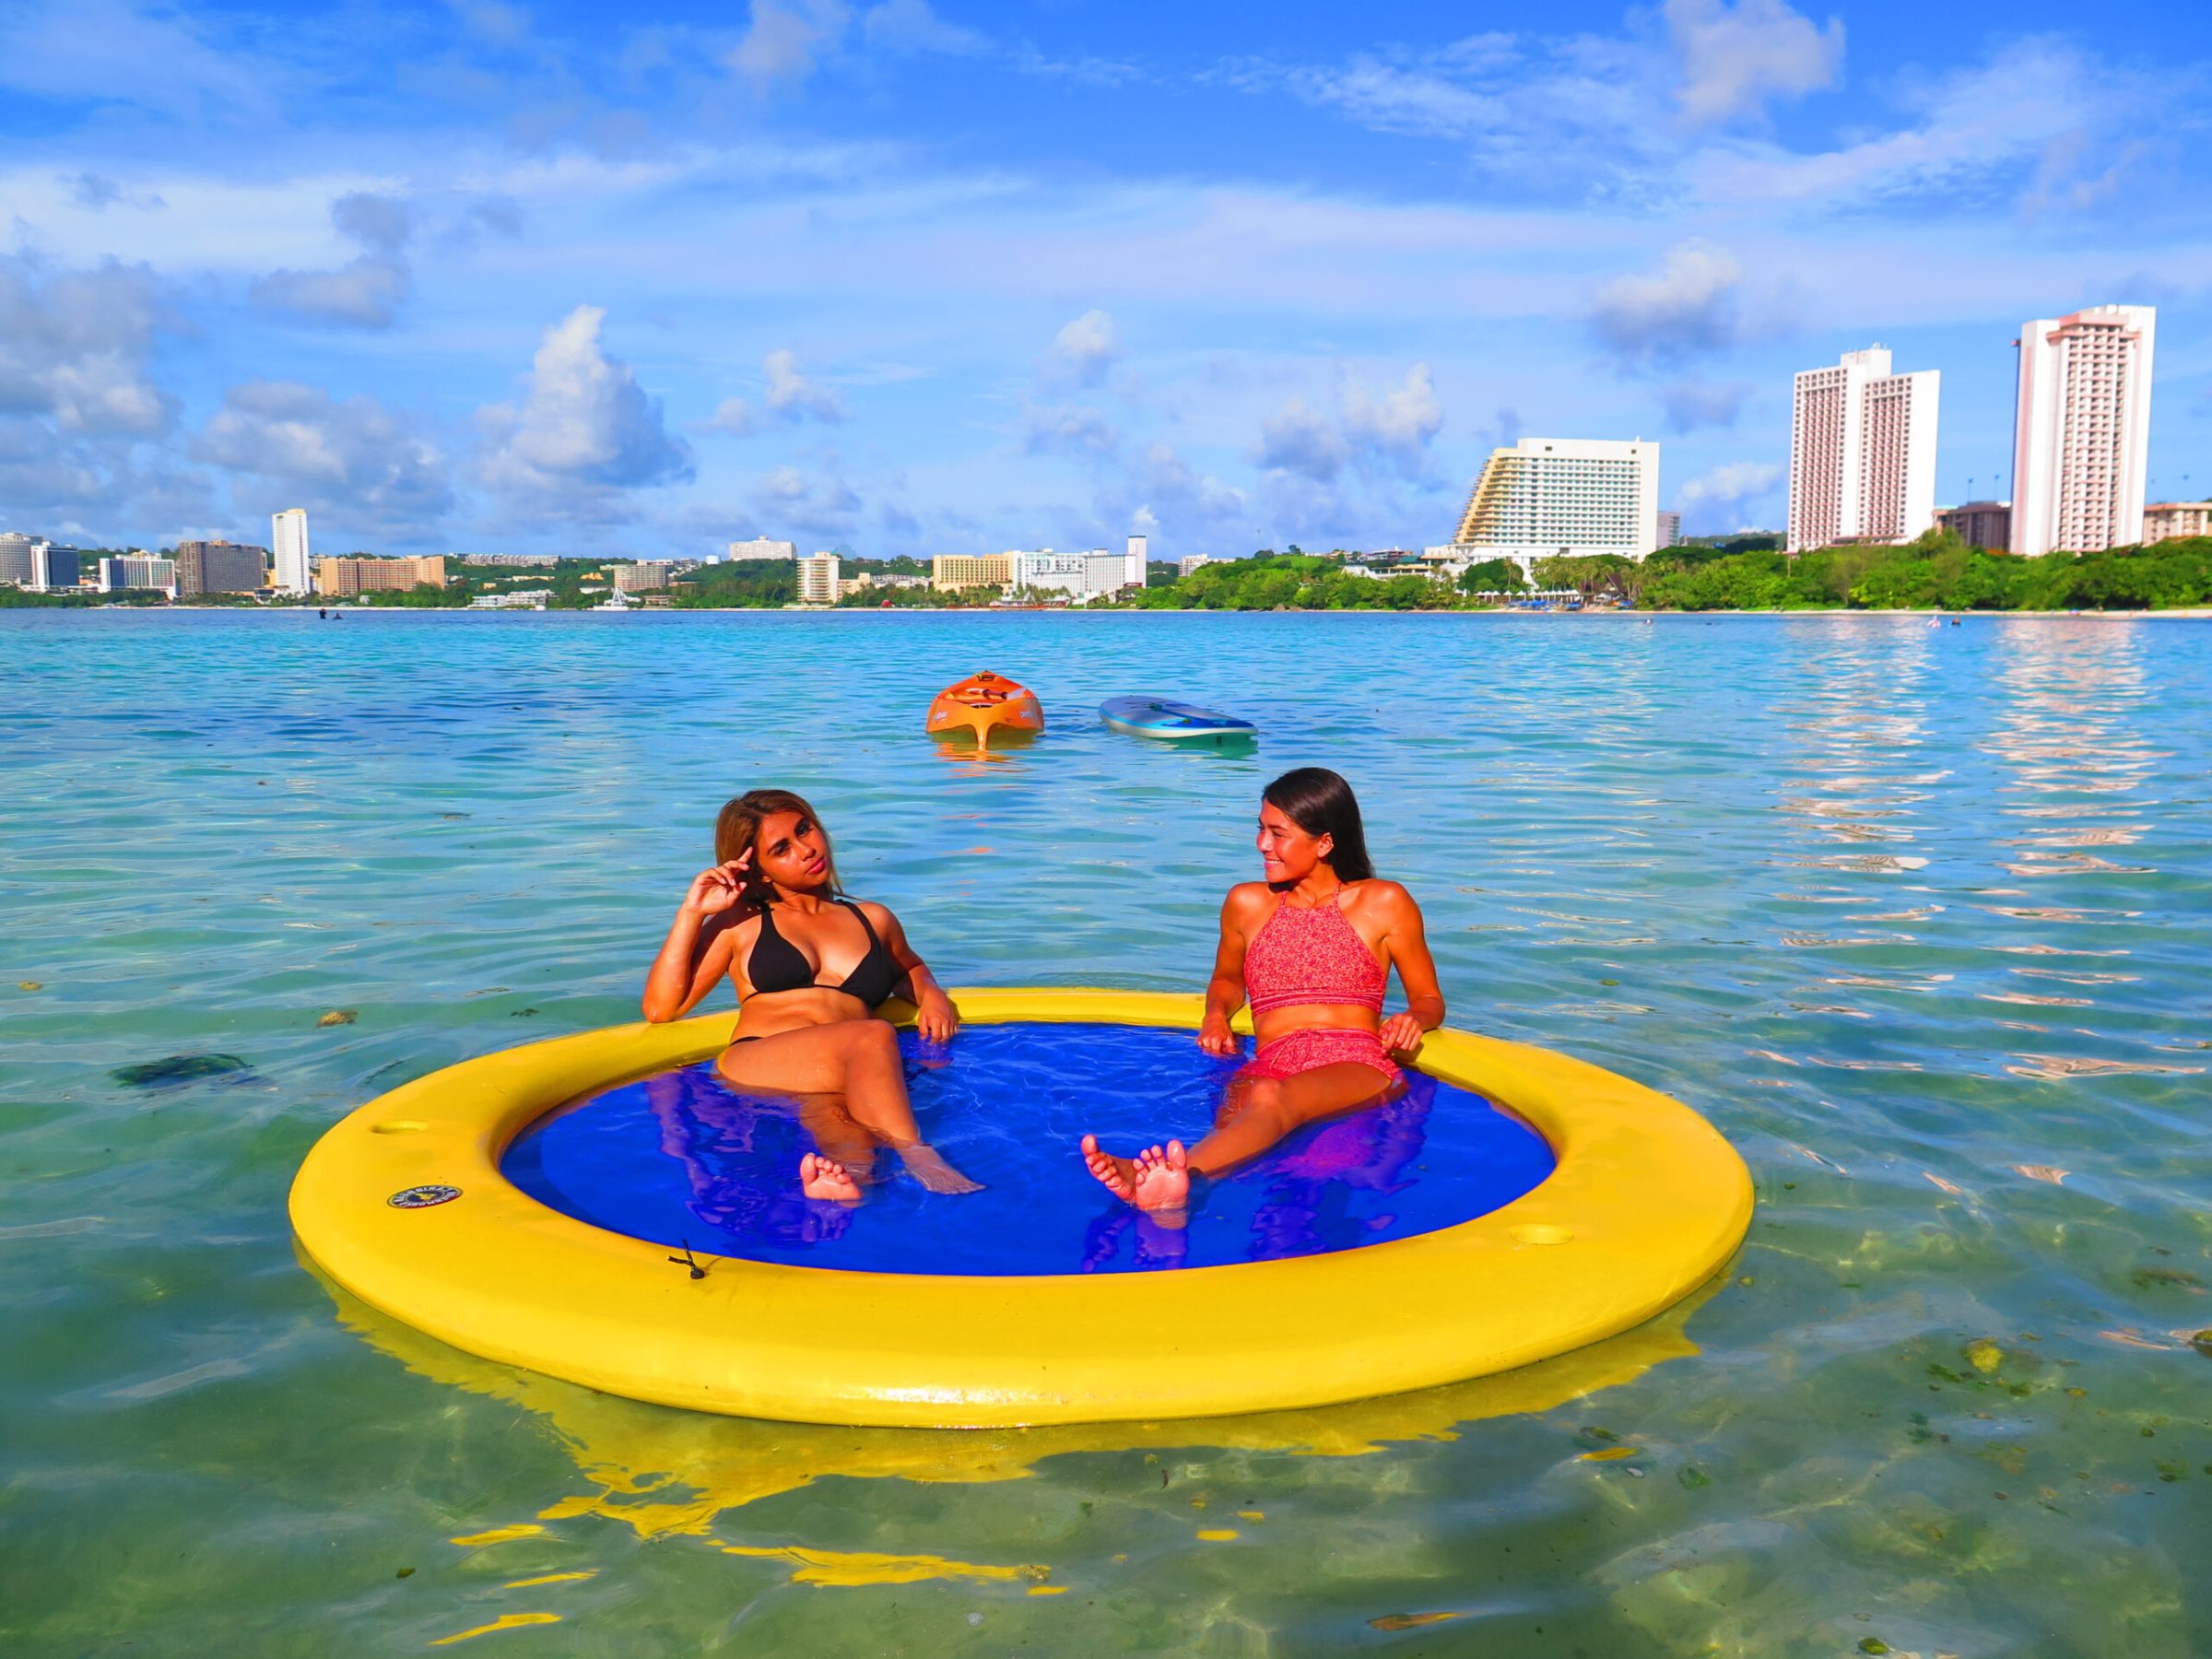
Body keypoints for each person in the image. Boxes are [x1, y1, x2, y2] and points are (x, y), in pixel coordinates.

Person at [1081, 767, 1445, 1212]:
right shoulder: (1246, 903)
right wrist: (1216, 1016)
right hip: (1269, 1062)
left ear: (1324, 843)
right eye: (1261, 829)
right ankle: (1168, 1207)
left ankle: (1163, 1177)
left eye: (1278, 834)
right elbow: (1227, 980)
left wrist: (1414, 1019)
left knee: (1269, 1100)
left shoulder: (1384, 902)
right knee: (1235, 1134)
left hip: (1354, 1061)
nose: (1262, 844)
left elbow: (1429, 1000)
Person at [641, 788, 980, 1202]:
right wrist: (692, 913)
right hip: (762, 1059)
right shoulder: (741, 922)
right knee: (873, 1034)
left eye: (804, 830)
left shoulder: (872, 918)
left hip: (837, 1071)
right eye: (781, 849)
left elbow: (908, 968)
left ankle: (843, 1192)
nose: (806, 850)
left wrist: (931, 994)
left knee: (851, 1145)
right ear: (760, 871)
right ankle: (918, 1154)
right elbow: (661, 1008)